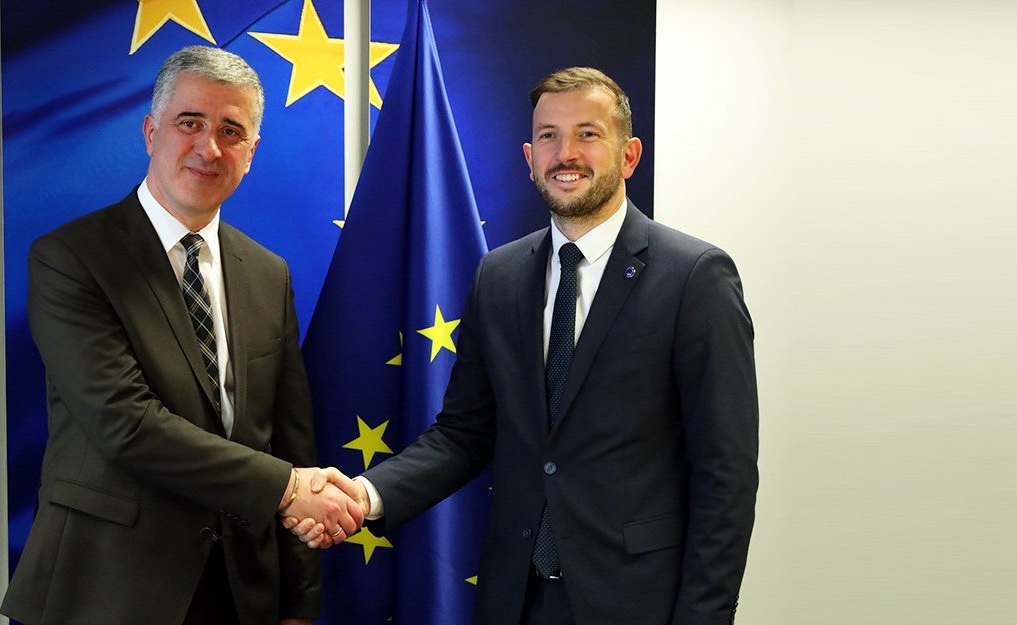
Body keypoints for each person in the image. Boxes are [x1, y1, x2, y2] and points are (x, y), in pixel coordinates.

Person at [289, 67, 758, 625]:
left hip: (639, 602)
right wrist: (365, 495)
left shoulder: (695, 276)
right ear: (529, 157)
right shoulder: (500, 275)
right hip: (513, 599)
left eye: (588, 134)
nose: (566, 154)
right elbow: (463, 434)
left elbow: (725, 473)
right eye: (548, 136)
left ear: (629, 156)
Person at [1, 45, 364, 625]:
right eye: (189, 123)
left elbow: (290, 439)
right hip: (106, 588)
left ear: (252, 152)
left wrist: (299, 602)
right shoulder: (71, 258)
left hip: (241, 592)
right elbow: (124, 422)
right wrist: (288, 489)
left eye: (231, 131)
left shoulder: (268, 274)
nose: (209, 147)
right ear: (151, 132)